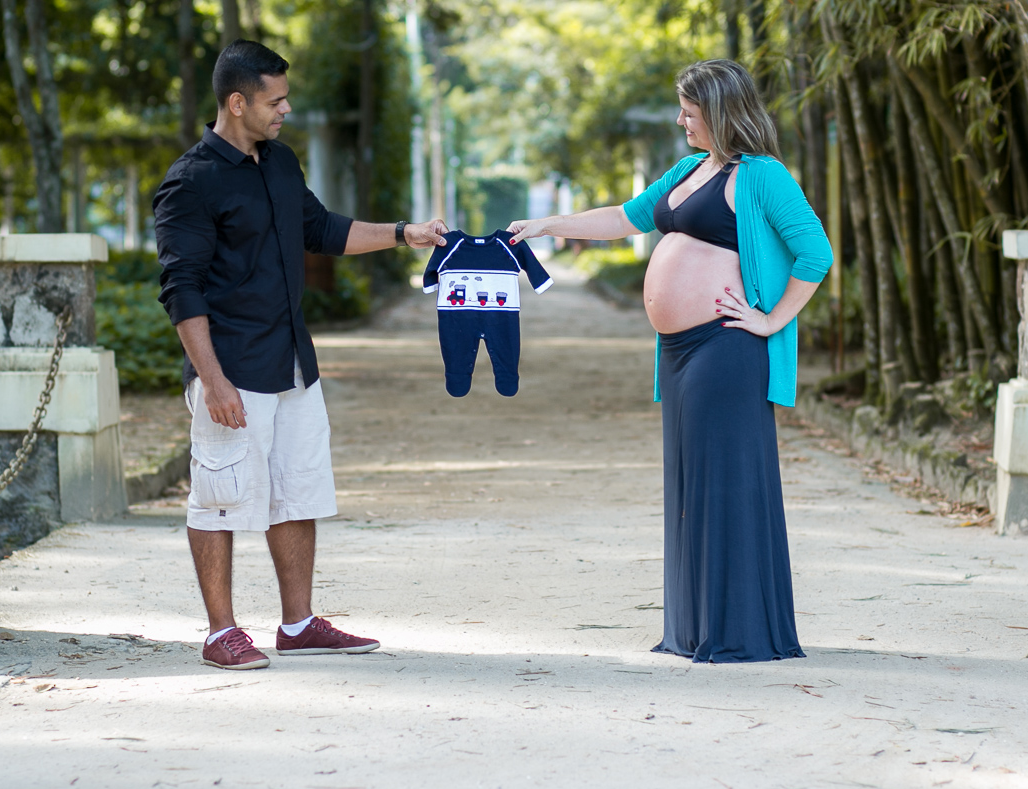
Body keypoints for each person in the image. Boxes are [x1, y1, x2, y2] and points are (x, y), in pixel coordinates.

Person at [509, 59, 832, 663]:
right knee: (691, 484)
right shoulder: (687, 170)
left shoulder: (763, 176)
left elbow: (816, 252)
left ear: (722, 111)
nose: (681, 118)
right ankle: (696, 629)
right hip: (681, 352)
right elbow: (625, 218)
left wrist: (771, 319)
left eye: (691, 109)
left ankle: (738, 632)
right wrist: (547, 225)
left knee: (725, 483)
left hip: (728, 347)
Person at [154, 39, 448, 670]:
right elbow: (181, 290)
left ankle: (299, 622)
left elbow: (322, 230)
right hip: (232, 369)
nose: (286, 109)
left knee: (299, 492)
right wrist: (213, 381)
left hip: (293, 365)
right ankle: (219, 632)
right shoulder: (190, 183)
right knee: (220, 497)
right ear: (236, 102)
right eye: (275, 99)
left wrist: (405, 234)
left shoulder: (281, 163)